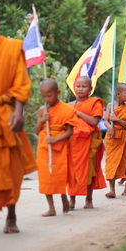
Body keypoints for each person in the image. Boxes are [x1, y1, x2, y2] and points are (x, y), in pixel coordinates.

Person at [0, 6, 36, 238]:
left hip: (5, 116)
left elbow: (21, 83)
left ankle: (11, 214)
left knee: (11, 169)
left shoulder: (12, 48)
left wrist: (19, 111)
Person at [36, 78, 79, 217]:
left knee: (59, 176)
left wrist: (55, 139)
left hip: (60, 146)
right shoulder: (42, 109)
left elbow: (69, 131)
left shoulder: (67, 110)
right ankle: (51, 208)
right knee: (45, 177)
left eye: (50, 95)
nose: (47, 99)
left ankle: (63, 197)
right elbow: (37, 130)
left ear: (58, 92)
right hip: (44, 146)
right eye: (44, 96)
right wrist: (42, 120)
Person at [68, 76, 106, 209]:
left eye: (84, 86)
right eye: (78, 86)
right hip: (72, 143)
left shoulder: (95, 102)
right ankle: (71, 200)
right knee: (72, 172)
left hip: (89, 143)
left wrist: (77, 113)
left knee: (89, 171)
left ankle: (88, 199)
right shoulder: (69, 105)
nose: (80, 89)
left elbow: (94, 122)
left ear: (90, 89)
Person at [104, 83, 126, 198]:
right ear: (118, 94)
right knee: (111, 163)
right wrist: (109, 127)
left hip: (125, 136)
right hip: (112, 137)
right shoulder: (110, 106)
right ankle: (112, 190)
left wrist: (117, 120)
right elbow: (106, 120)